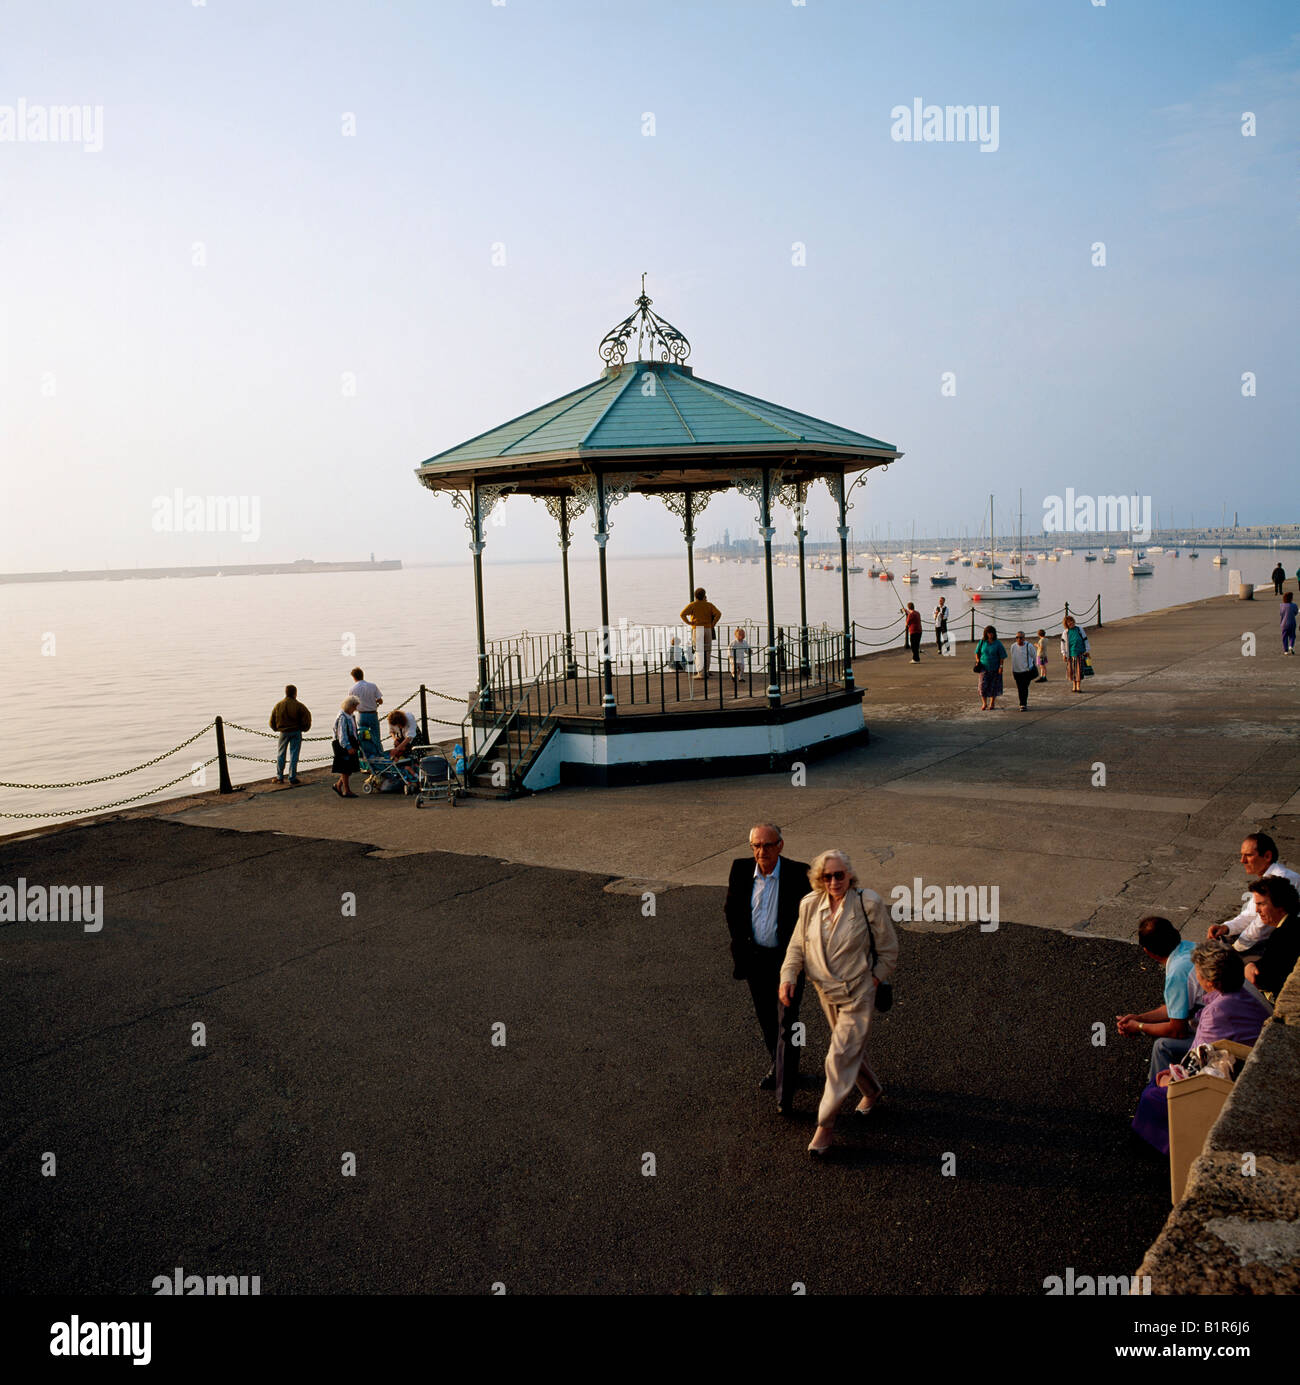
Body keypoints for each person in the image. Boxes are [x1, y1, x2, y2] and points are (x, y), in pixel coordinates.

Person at [780, 850, 897, 1155]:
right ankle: (871, 1091)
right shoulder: (809, 904)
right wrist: (788, 976)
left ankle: (825, 1127)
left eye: (839, 875)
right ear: (818, 879)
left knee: (838, 1057)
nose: (833, 881)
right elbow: (796, 945)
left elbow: (888, 950)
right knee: (849, 1052)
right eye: (826, 876)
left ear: (849, 875)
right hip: (826, 992)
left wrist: (872, 982)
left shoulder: (867, 902)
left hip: (858, 994)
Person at [1131, 941, 1272, 1154]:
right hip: (1249, 1058)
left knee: (1153, 1094)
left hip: (1233, 1074)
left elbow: (1197, 1059)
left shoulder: (1217, 1013)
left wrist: (1169, 1080)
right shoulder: (1241, 989)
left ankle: (1171, 1144)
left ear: (1208, 981)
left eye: (1197, 972)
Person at [724, 824, 811, 1115]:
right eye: (756, 846)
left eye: (768, 845)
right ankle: (781, 1065)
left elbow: (812, 916)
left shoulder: (800, 874)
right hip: (755, 960)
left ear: (781, 845)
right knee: (767, 1019)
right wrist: (741, 946)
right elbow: (732, 910)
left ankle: (784, 1093)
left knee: (787, 1021)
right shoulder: (739, 870)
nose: (762, 852)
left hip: (787, 962)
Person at [1116, 916, 1202, 1081]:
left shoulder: (1177, 972)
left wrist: (1140, 1027)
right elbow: (1176, 1010)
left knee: (1162, 1046)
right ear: (1176, 933)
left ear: (1147, 951)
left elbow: (1178, 1031)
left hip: (1229, 1037)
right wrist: (1139, 1018)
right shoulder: (1192, 948)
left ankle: (1157, 1095)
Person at [1206, 832, 1300, 951]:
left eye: (1248, 855)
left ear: (1267, 856)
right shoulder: (1268, 878)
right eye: (1242, 855)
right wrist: (1226, 927)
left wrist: (1235, 948)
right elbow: (1250, 914)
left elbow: (1261, 926)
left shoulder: (1281, 880)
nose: (1242, 860)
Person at [1242, 876, 1300, 1005]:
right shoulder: (1293, 924)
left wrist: (1250, 968)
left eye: (1261, 904)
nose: (1257, 910)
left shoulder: (1282, 935)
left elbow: (1268, 979)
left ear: (1280, 905)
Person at [268, 683, 312, 785]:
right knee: (294, 755)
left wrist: (276, 729)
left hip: (283, 733)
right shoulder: (300, 706)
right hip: (296, 732)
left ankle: (280, 777)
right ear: (295, 693)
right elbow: (307, 718)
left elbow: (271, 721)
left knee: (281, 754)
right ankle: (292, 777)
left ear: (286, 693)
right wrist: (304, 729)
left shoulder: (278, 705)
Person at [680, 588, 721, 680]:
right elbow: (718, 614)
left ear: (695, 596)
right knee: (707, 651)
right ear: (704, 595)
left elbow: (682, 614)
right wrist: (712, 624)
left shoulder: (693, 605)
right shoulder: (709, 605)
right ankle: (706, 671)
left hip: (697, 628)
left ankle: (701, 673)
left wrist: (689, 623)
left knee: (699, 651)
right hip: (708, 629)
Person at [348, 668, 384, 757]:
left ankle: (367, 757)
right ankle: (379, 755)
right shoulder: (372, 686)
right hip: (372, 714)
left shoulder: (352, 689)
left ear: (354, 677)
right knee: (376, 736)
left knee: (363, 737)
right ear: (362, 675)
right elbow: (380, 700)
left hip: (361, 715)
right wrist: (376, 702)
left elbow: (351, 704)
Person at [331, 696, 361, 798]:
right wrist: (348, 747)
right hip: (344, 745)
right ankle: (346, 790)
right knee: (345, 768)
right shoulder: (343, 718)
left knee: (349, 768)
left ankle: (338, 785)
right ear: (350, 706)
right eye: (355, 706)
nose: (356, 709)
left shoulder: (350, 715)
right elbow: (342, 735)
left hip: (351, 743)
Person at [975, 624, 1007, 710]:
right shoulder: (982, 642)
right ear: (986, 633)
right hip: (983, 667)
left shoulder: (998, 643)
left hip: (995, 668)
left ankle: (992, 703)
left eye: (992, 633)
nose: (990, 635)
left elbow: (1002, 656)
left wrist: (1001, 666)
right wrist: (978, 661)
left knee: (994, 686)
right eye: (988, 633)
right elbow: (977, 652)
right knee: (982, 686)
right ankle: (984, 703)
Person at [1009, 630, 1036, 710]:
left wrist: (1039, 665)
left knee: (1023, 688)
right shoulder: (1013, 646)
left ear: (1024, 638)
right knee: (1020, 688)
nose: (1018, 639)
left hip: (1026, 671)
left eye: (1020, 638)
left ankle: (1023, 704)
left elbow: (1035, 656)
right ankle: (1023, 703)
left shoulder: (1029, 646)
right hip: (1016, 671)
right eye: (1017, 637)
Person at [1062, 615, 1088, 692]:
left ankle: (1078, 686)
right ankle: (1074, 686)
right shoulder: (1066, 632)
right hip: (1071, 654)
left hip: (1080, 653)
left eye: (1072, 621)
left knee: (1079, 671)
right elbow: (1062, 644)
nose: (1071, 623)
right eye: (1069, 622)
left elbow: (1085, 639)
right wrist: (1064, 654)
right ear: (1066, 624)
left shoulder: (1079, 629)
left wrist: (1087, 650)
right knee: (1072, 671)